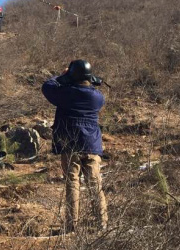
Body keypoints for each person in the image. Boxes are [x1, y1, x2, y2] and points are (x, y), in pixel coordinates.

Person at [41, 60, 108, 232]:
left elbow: (47, 87)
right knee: (95, 183)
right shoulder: (98, 97)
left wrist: (62, 77)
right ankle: (102, 223)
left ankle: (72, 225)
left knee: (72, 183)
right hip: (92, 144)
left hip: (70, 144)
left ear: (72, 75)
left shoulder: (66, 93)